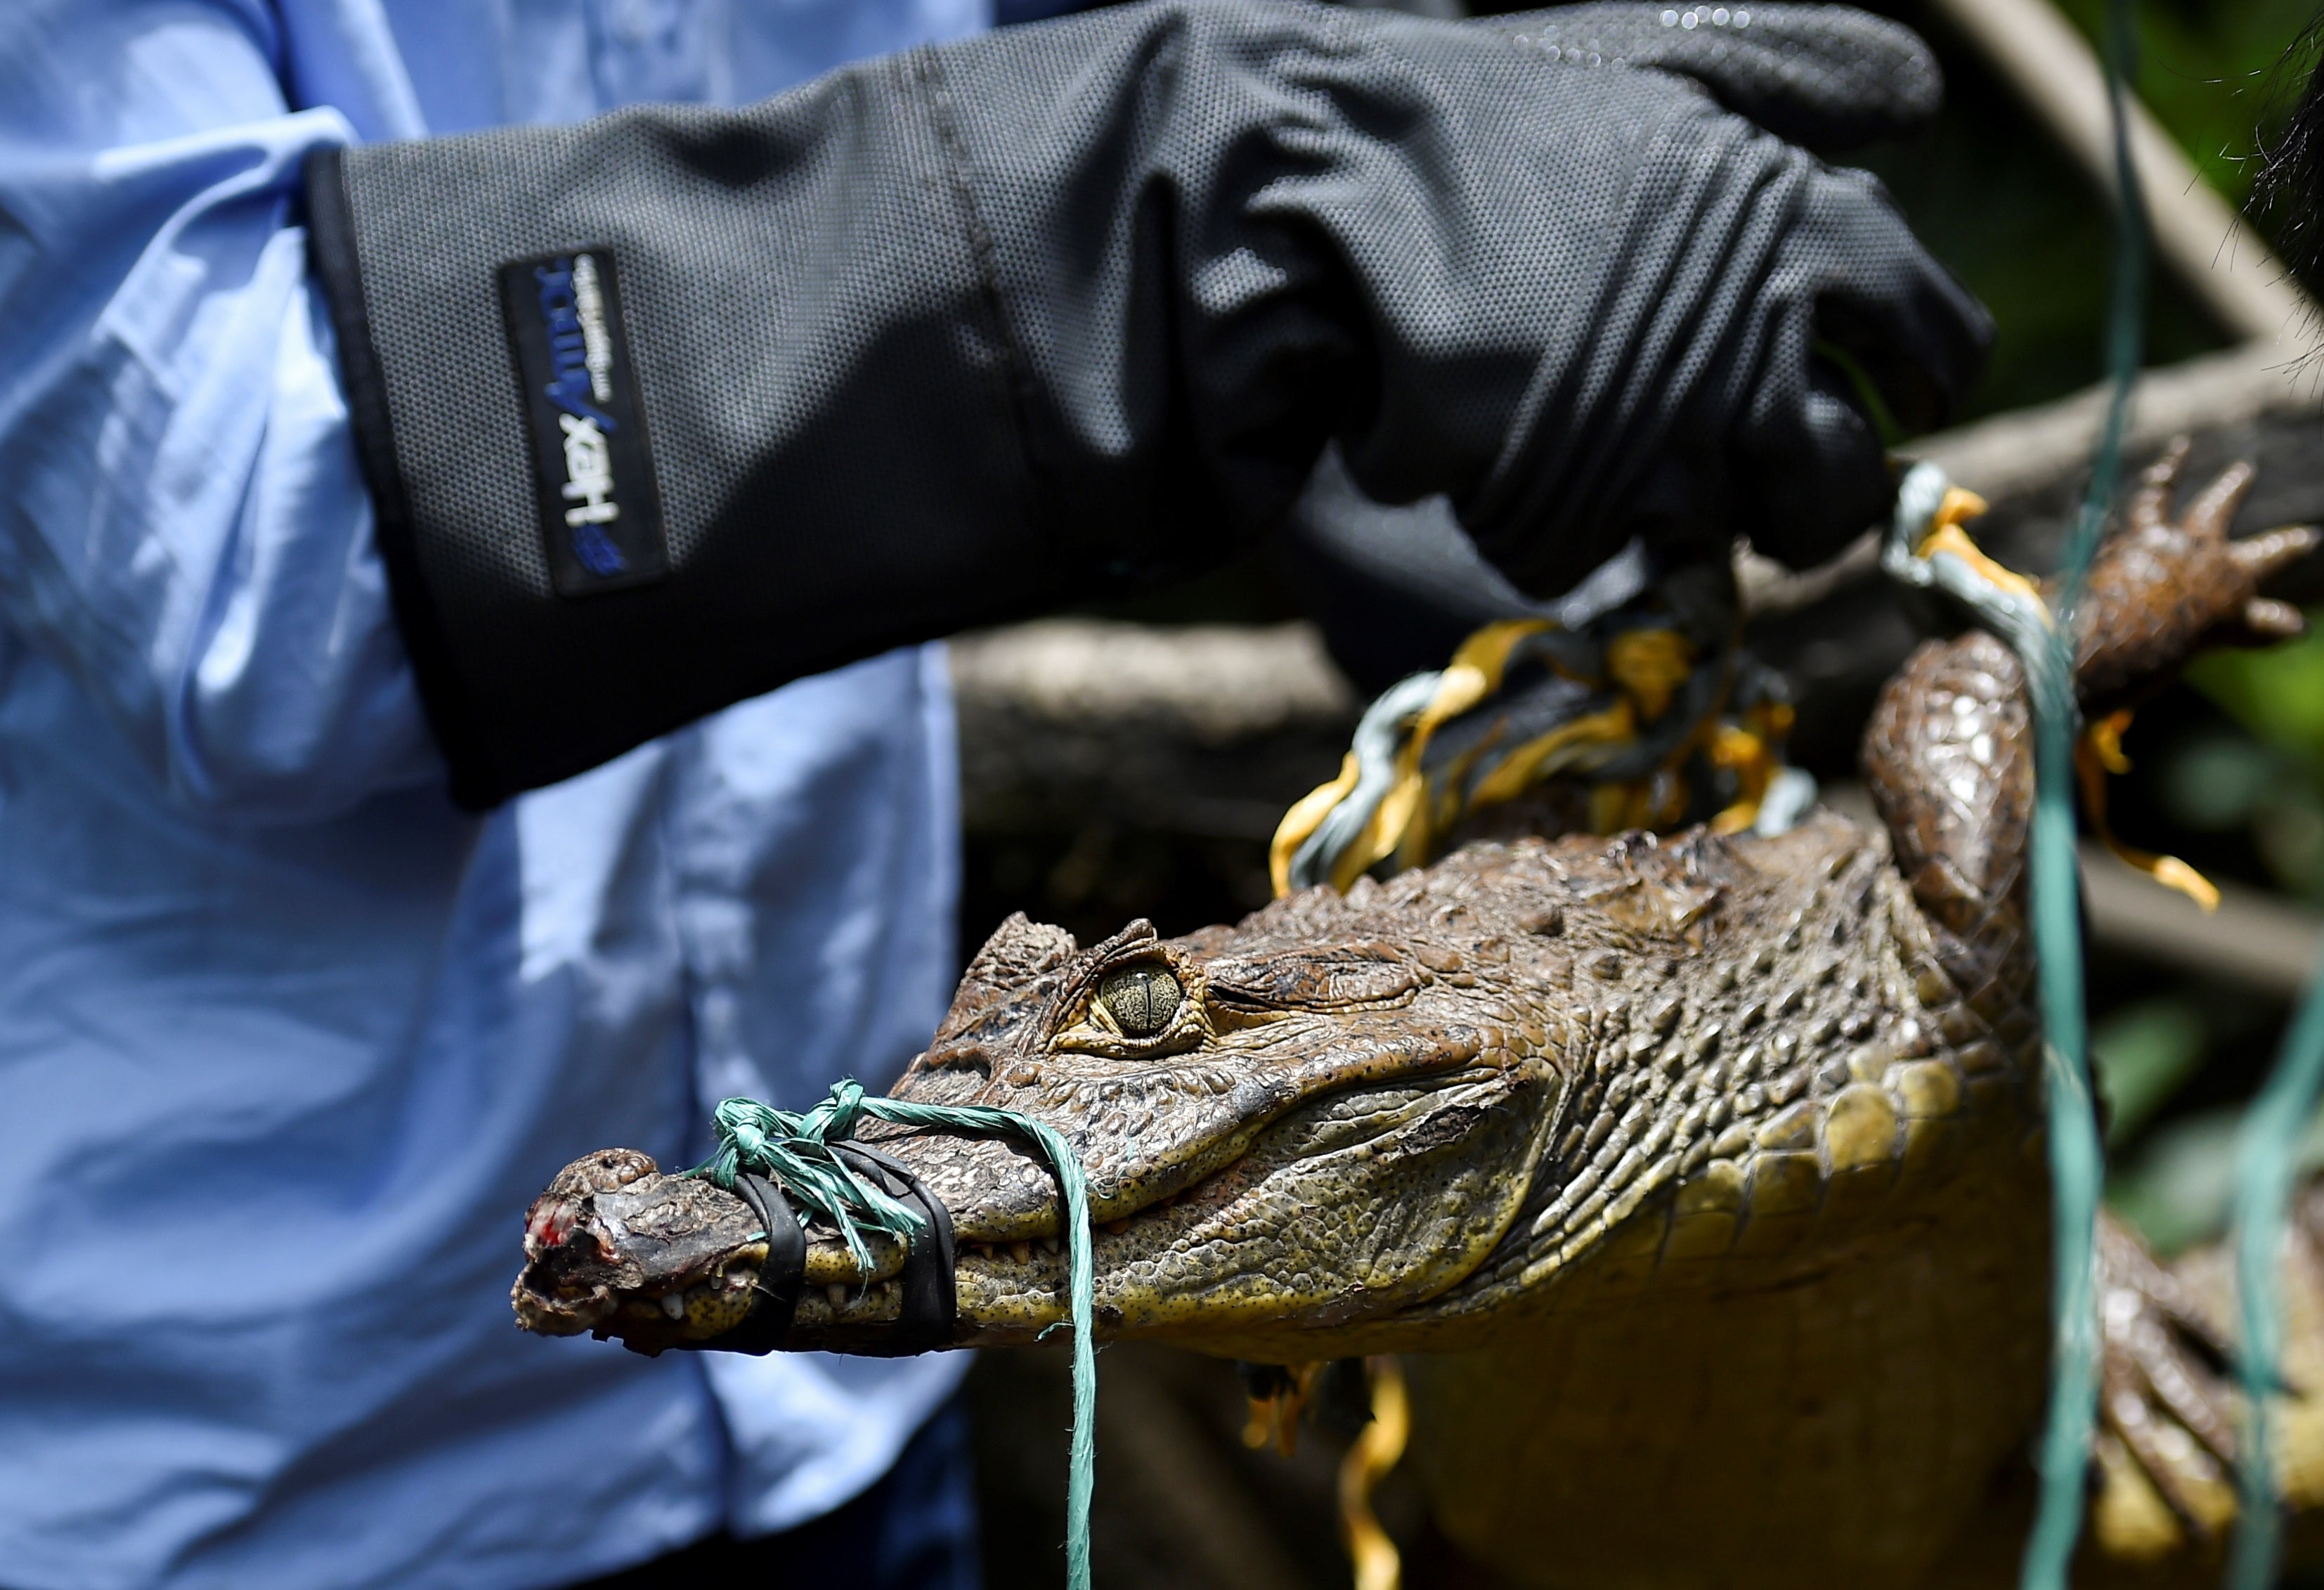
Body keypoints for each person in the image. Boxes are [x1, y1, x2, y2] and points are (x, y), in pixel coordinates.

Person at [0, 2, 1989, 1587]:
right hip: (235, 1479)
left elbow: (1087, 74)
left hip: (856, 1406)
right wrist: (1204, 203)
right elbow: (249, 556)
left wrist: (1513, 445)